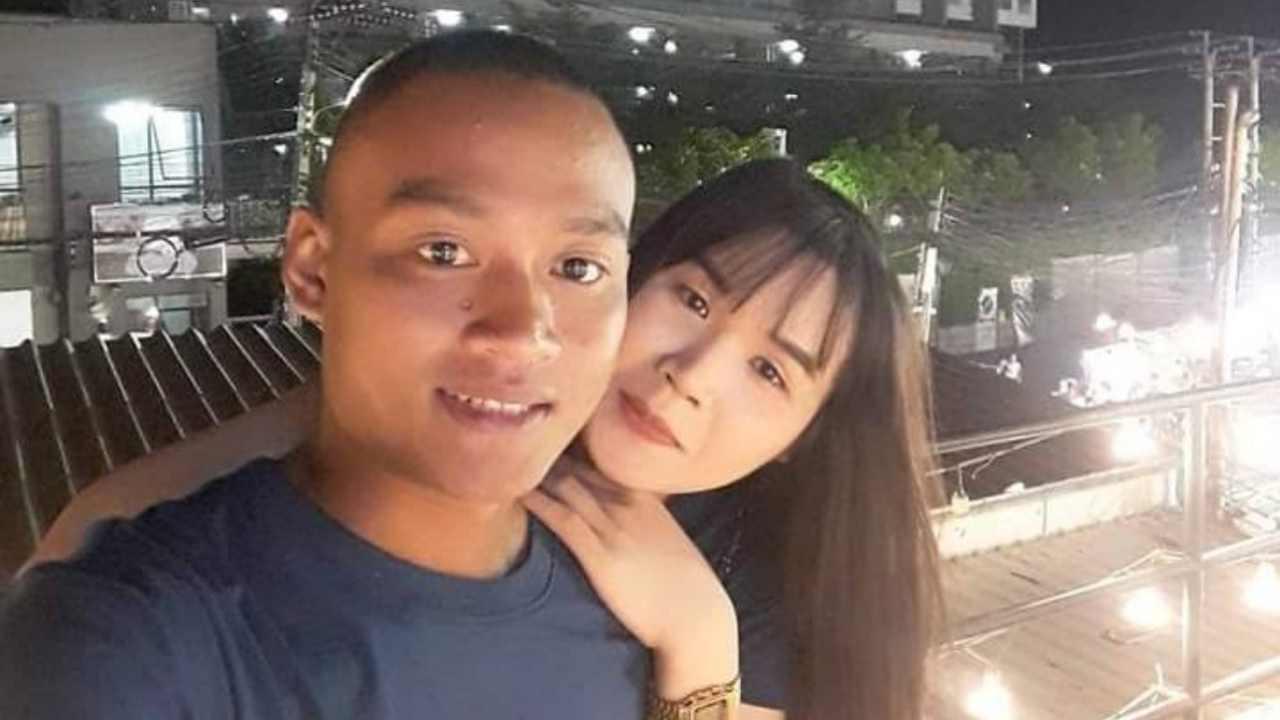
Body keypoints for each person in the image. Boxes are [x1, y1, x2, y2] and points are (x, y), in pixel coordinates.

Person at [28, 154, 944, 718]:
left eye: (771, 372)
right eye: (694, 300)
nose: (693, 375)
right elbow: (83, 543)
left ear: (804, 436)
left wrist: (699, 646)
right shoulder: (470, 424)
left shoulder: (782, 600)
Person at [0, 31, 741, 719]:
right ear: (312, 270)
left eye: (578, 267)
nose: (522, 332)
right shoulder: (119, 637)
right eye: (443, 252)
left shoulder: (645, 613)